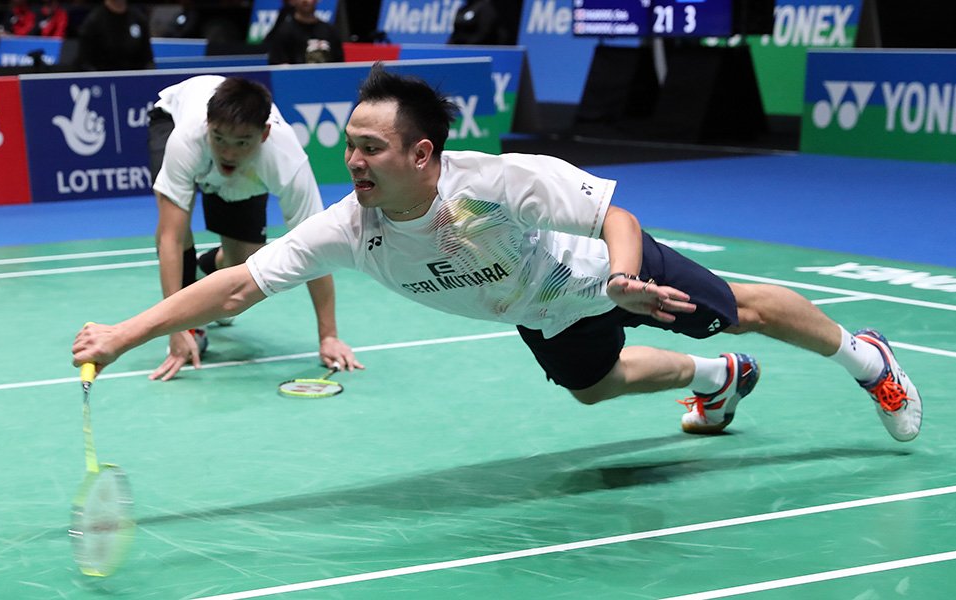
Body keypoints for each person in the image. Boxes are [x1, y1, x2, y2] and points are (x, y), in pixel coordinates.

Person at [75, 65, 922, 443]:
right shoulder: (352, 226)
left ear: (423, 155)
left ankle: (865, 359)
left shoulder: (495, 183)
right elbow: (230, 289)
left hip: (606, 276)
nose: (353, 160)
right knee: (594, 390)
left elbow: (611, 210)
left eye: (371, 147)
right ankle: (718, 380)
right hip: (535, 308)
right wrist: (123, 334)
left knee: (747, 308)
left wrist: (626, 277)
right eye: (351, 145)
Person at [144, 74, 361, 381]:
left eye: (242, 142)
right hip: (171, 117)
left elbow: (317, 245)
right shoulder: (187, 138)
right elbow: (170, 237)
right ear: (208, 126)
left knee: (241, 269)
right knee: (176, 225)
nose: (229, 153)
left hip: (248, 166)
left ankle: (203, 274)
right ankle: (192, 319)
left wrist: (329, 335)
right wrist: (175, 329)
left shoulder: (285, 160)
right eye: (219, 138)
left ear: (264, 134)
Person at [74, 0, 154, 71]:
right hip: (103, 81)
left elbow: (147, 60)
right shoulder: (93, 22)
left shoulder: (139, 19)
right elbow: (84, 63)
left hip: (135, 81)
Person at [265, 0, 345, 64]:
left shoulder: (331, 31)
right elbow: (278, 67)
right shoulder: (283, 33)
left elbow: (339, 65)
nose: (305, 1)